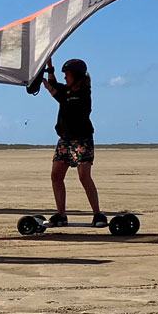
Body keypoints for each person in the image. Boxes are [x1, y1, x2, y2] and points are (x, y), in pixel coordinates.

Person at [42, 57, 103, 227]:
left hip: (82, 139)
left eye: (67, 75)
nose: (65, 78)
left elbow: (61, 96)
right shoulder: (67, 91)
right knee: (56, 176)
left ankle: (97, 214)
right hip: (65, 140)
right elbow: (56, 87)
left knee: (84, 176)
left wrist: (51, 89)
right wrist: (49, 68)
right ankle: (61, 215)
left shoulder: (83, 93)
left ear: (76, 76)